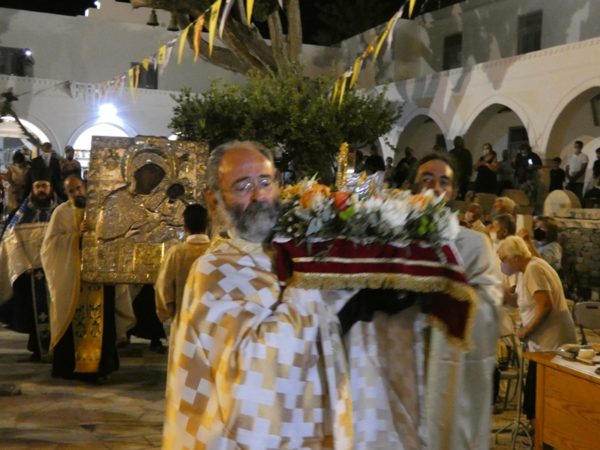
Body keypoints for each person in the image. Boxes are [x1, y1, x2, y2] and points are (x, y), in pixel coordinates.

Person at [163, 141, 351, 448]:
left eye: (265, 182)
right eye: (243, 186)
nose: (258, 196)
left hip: (310, 425)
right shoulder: (213, 271)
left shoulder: (288, 253)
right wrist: (307, 284)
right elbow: (252, 366)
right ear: (214, 200)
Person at [409, 153, 501, 449]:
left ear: (454, 192)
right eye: (426, 179)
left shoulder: (474, 244)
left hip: (448, 358)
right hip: (403, 354)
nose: (435, 187)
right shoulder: (394, 242)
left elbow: (490, 302)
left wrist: (442, 303)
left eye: (444, 181)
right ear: (412, 186)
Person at [41, 174, 119, 381]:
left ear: (85, 186)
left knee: (102, 322)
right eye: (71, 191)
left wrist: (98, 230)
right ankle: (70, 367)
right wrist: (76, 236)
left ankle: (101, 368)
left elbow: (114, 235)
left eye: (78, 188)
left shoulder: (101, 208)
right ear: (66, 193)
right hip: (73, 278)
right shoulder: (61, 212)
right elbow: (49, 246)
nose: (76, 193)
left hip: (98, 277)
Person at [497, 236, 576, 420]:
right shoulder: (526, 269)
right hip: (541, 343)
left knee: (543, 398)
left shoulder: (533, 269)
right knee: (536, 396)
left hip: (550, 342)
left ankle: (542, 433)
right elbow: (521, 300)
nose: (502, 264)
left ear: (516, 257)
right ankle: (538, 430)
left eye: (504, 259)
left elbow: (545, 305)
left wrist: (526, 330)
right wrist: (505, 293)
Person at [0, 172, 57, 361]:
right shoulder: (21, 215)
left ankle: (58, 348)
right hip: (30, 273)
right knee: (32, 312)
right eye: (38, 186)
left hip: (56, 271)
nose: (41, 190)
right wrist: (23, 264)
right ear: (32, 189)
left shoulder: (60, 212)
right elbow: (10, 240)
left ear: (51, 188)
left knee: (57, 310)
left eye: (44, 186)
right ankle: (37, 347)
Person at [155, 204, 210, 332]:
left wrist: (167, 313)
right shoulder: (217, 252)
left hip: (183, 323)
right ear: (207, 226)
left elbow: (163, 288)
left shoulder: (175, 253)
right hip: (211, 325)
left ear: (185, 227)